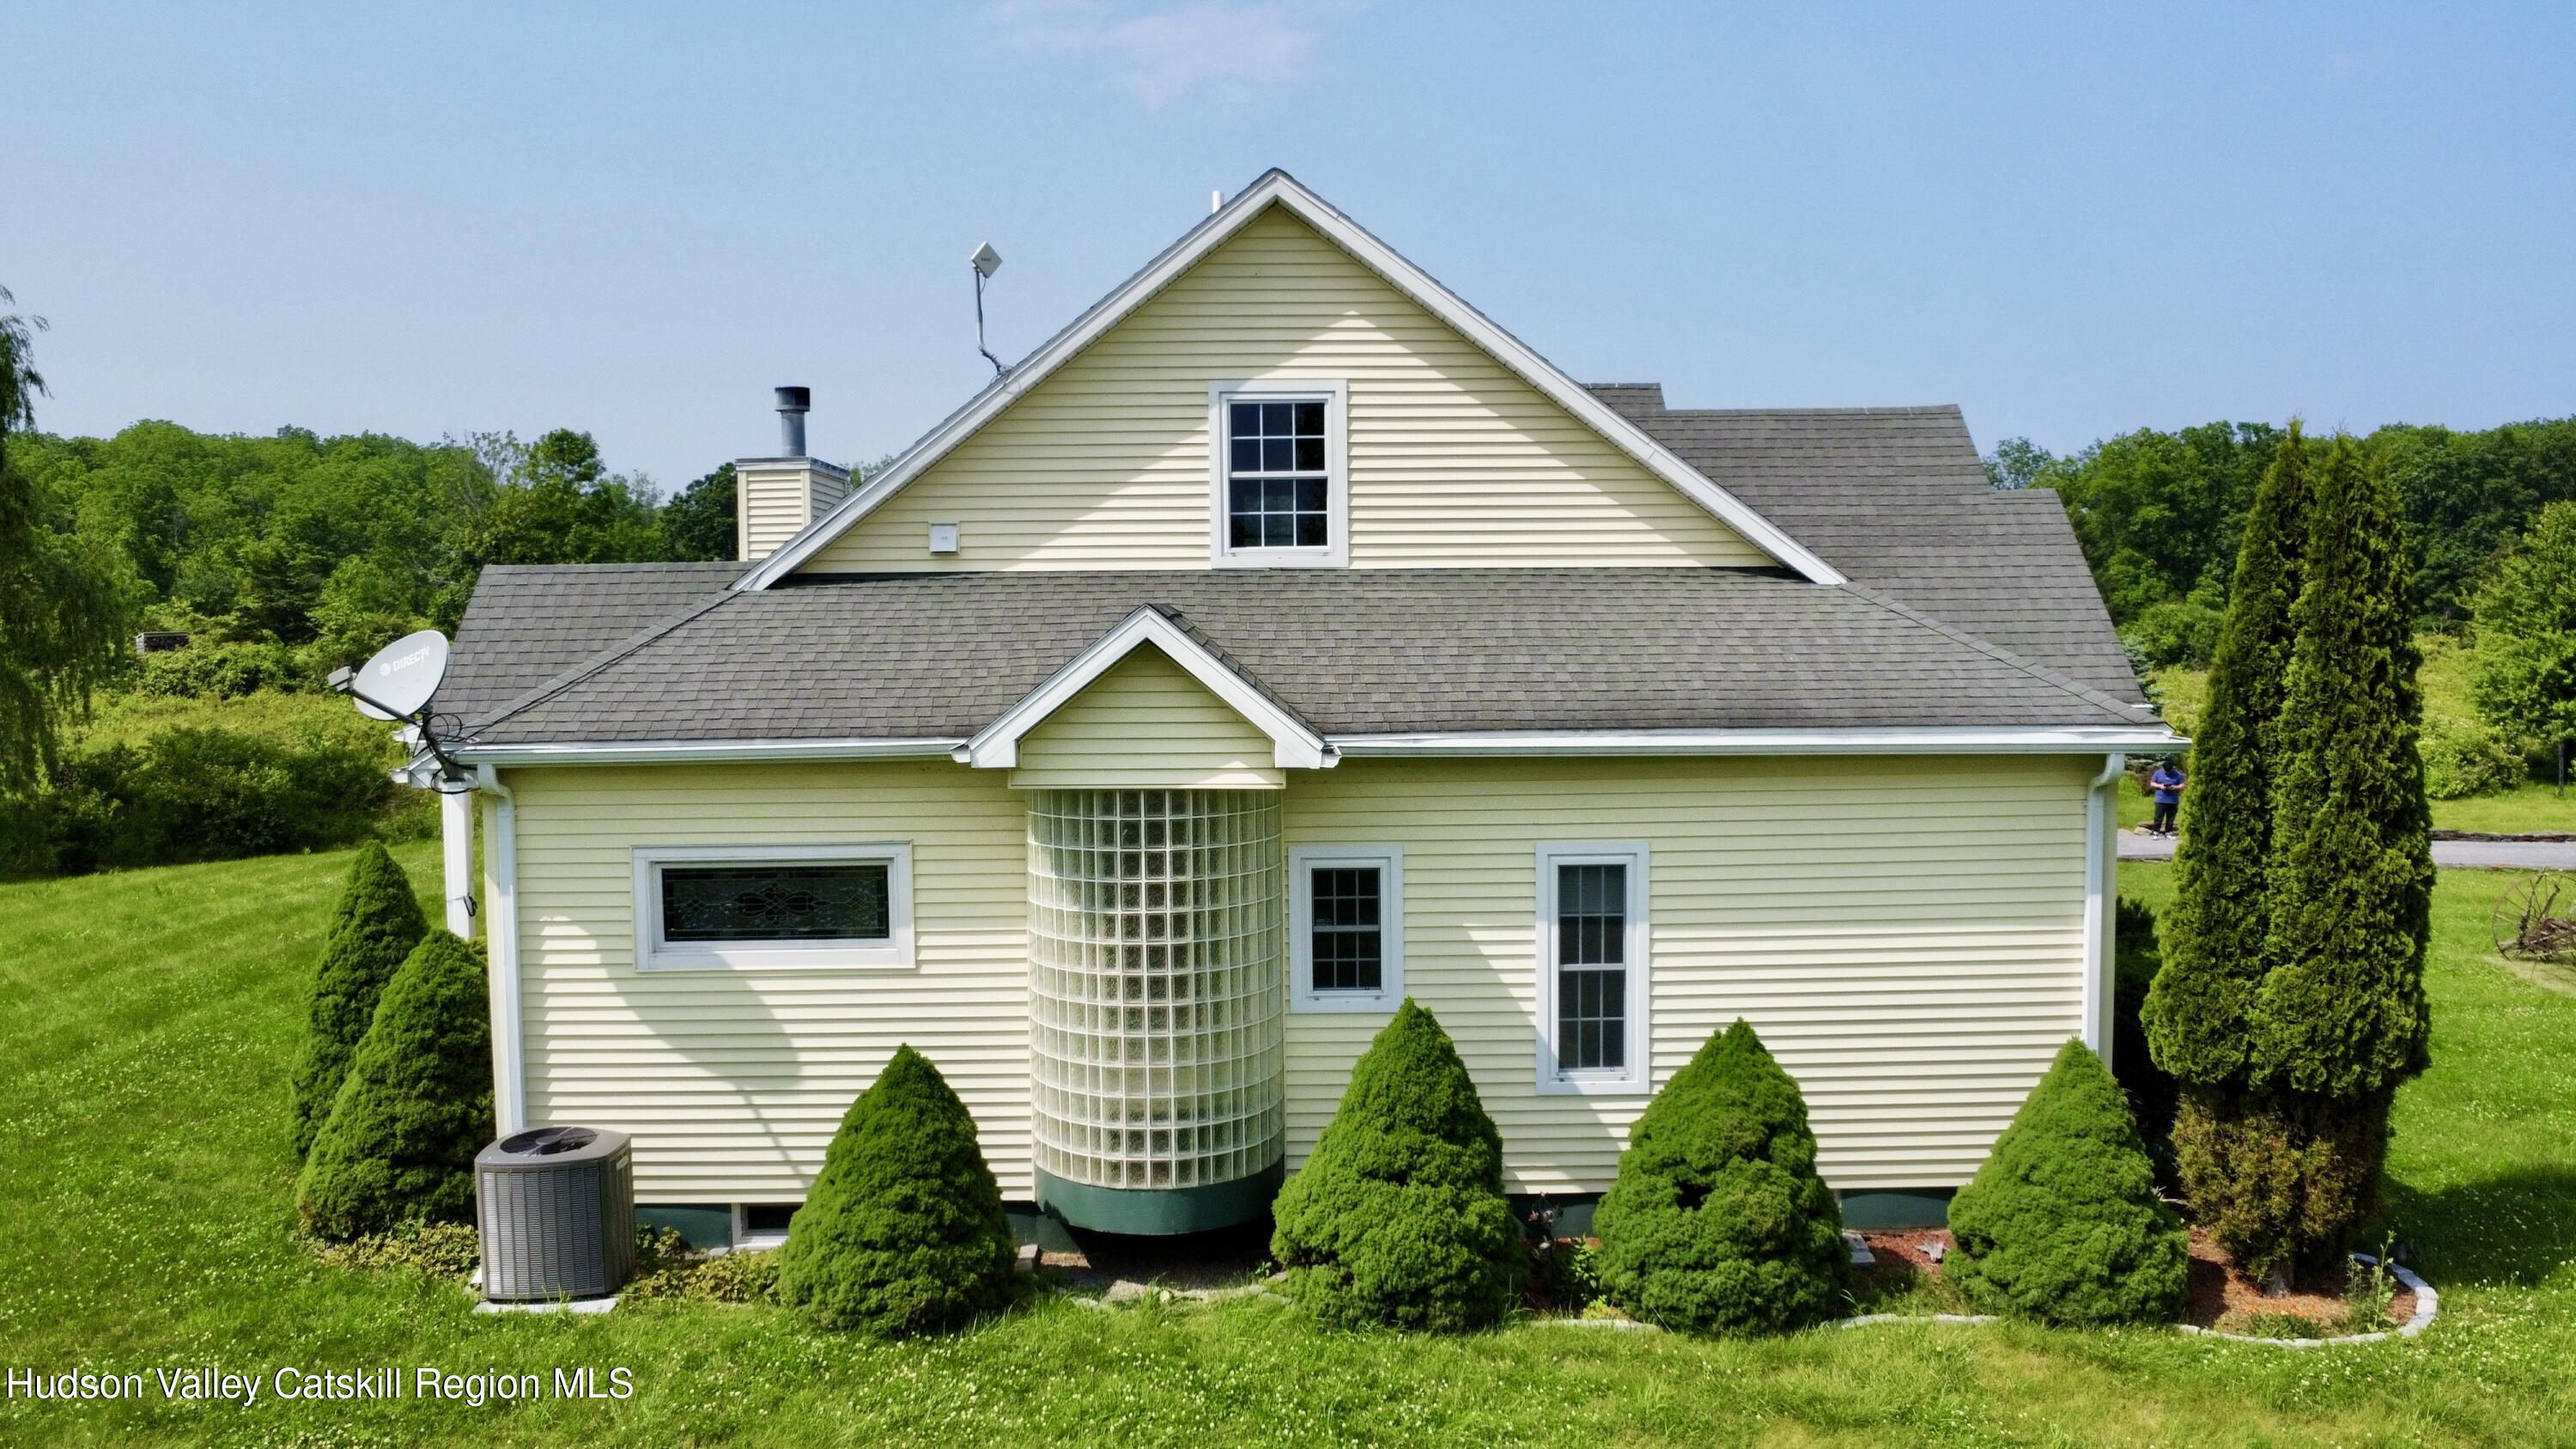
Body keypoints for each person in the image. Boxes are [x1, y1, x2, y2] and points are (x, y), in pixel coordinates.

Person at [2147, 759, 2186, 837]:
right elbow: (2152, 783)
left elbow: (2182, 785)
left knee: (2171, 818)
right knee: (2158, 816)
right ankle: (2155, 831)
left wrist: (2175, 787)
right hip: (2160, 799)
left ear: (2172, 768)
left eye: (2169, 771)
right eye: (2166, 771)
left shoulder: (2178, 774)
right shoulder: (2158, 773)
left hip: (2173, 800)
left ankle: (2168, 832)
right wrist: (2160, 786)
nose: (2168, 773)